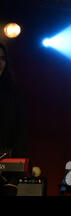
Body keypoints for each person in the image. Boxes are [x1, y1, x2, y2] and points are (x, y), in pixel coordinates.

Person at [0, 42, 28, 196]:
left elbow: (20, 136)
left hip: (5, 171)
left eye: (2, 58)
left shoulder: (14, 96)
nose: (0, 62)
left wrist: (14, 178)